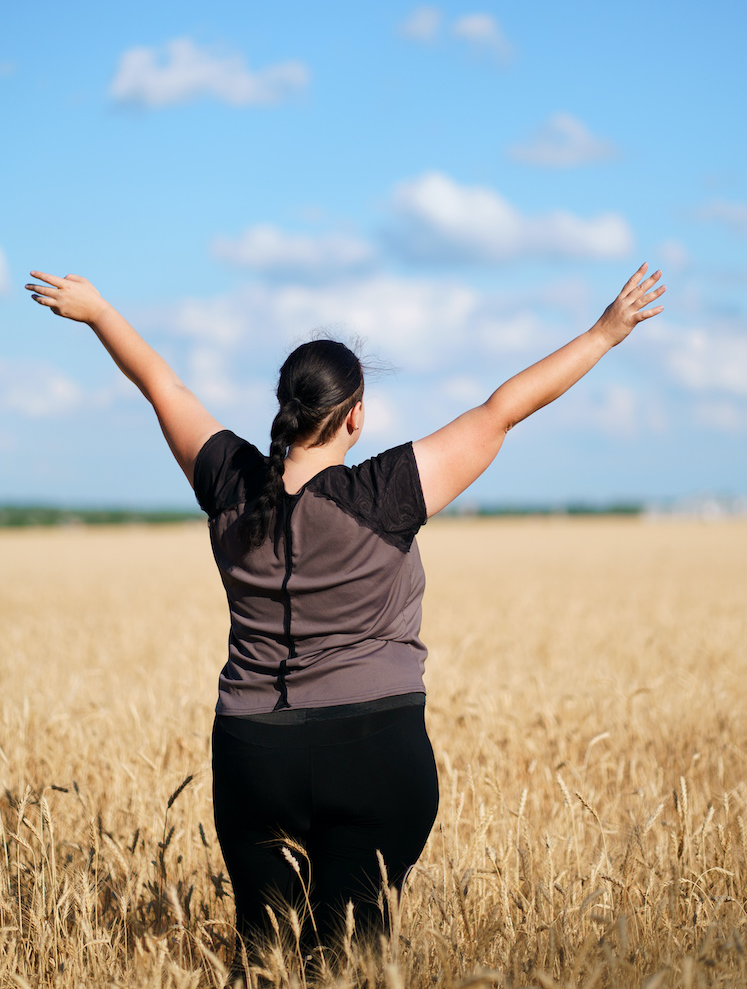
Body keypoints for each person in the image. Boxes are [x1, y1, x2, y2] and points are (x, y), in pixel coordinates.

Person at [25, 262, 664, 964]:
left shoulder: (229, 480)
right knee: (349, 966)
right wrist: (605, 333)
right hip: (375, 753)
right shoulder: (384, 493)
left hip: (254, 753)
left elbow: (162, 385)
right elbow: (504, 407)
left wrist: (98, 312)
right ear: (355, 415)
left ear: (283, 408)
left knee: (264, 962)